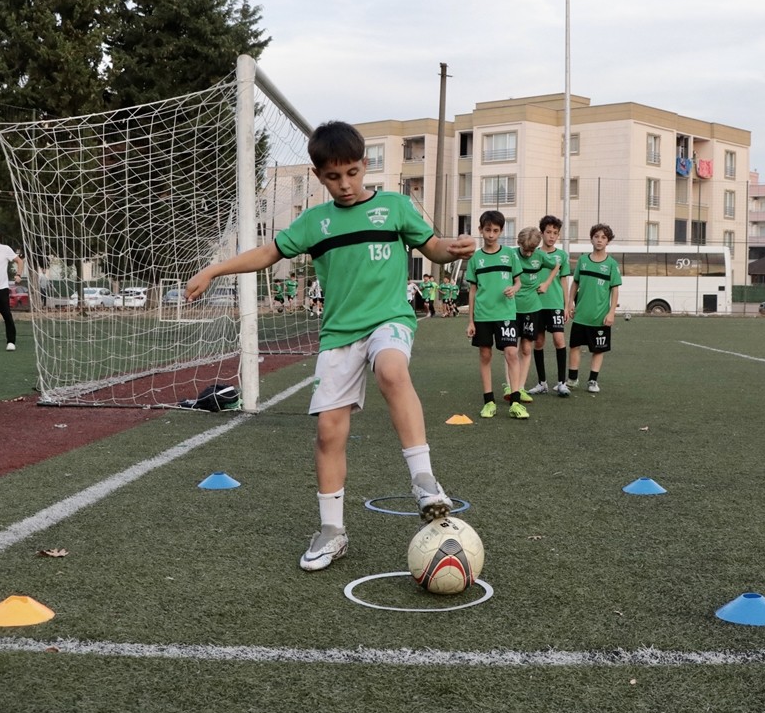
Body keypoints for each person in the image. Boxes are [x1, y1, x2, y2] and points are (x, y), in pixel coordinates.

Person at [186, 121, 475, 572]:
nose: (345, 184)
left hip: (388, 320)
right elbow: (268, 254)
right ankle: (332, 531)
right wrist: (214, 270)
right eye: (334, 176)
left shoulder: (396, 207)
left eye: (353, 173)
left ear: (365, 167)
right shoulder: (314, 223)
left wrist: (452, 249)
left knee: (393, 372)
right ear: (320, 176)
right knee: (328, 433)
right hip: (339, 334)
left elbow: (433, 248)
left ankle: (423, 481)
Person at [465, 210, 525, 419]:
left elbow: (518, 281)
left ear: (501, 231)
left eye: (496, 231)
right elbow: (472, 290)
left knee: (511, 353)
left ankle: (516, 402)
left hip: (506, 313)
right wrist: (470, 320)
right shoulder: (475, 259)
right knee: (485, 355)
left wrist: (514, 289)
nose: (491, 234)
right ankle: (489, 401)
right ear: (481, 230)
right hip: (482, 315)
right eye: (487, 230)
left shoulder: (509, 254)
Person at [564, 223, 622, 394]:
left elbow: (615, 289)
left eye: (603, 237)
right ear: (591, 238)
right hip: (581, 314)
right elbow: (575, 283)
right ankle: (572, 379)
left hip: (600, 317)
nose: (599, 240)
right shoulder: (583, 260)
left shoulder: (611, 264)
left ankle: (592, 381)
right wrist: (569, 304)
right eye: (596, 236)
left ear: (608, 241)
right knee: (574, 346)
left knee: (598, 349)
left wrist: (611, 312)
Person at [529, 215, 572, 397]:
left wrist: (566, 305)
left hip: (555, 304)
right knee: (538, 342)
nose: (552, 236)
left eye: (555, 233)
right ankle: (542, 383)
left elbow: (564, 281)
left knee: (559, 340)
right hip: (537, 305)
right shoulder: (535, 254)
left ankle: (562, 383)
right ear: (541, 233)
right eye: (548, 232)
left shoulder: (562, 256)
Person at [504, 226, 546, 405]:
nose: (528, 254)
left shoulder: (541, 256)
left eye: (532, 250)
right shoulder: (510, 255)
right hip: (511, 308)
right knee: (510, 349)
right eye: (525, 249)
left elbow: (557, 265)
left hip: (532, 308)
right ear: (518, 243)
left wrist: (547, 283)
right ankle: (509, 386)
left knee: (527, 348)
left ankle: (520, 387)